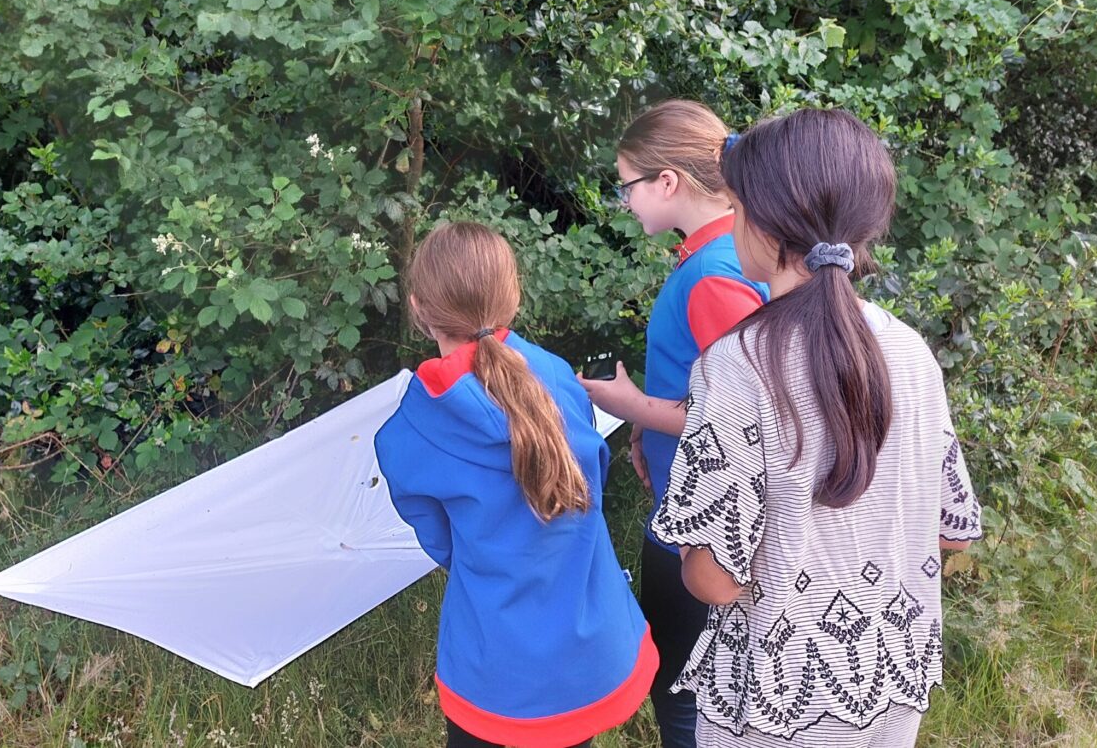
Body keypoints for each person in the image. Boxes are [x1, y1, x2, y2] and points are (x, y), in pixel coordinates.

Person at [650, 108, 984, 747]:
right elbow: (955, 532)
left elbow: (714, 577)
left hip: (777, 703)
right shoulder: (911, 350)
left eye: (737, 204)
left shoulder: (737, 365)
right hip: (888, 678)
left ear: (767, 225)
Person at [375, 221, 657, 748]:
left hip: (493, 667)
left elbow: (443, 545)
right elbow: (588, 479)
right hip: (583, 652)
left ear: (418, 309)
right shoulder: (557, 377)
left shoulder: (410, 431)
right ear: (514, 297)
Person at [577, 99, 768, 748]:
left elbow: (742, 416)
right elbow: (704, 385)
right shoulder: (720, 254)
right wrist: (646, 425)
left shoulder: (715, 276)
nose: (624, 201)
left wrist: (629, 404)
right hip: (693, 512)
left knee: (688, 702)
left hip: (705, 528)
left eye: (627, 184)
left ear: (667, 182)